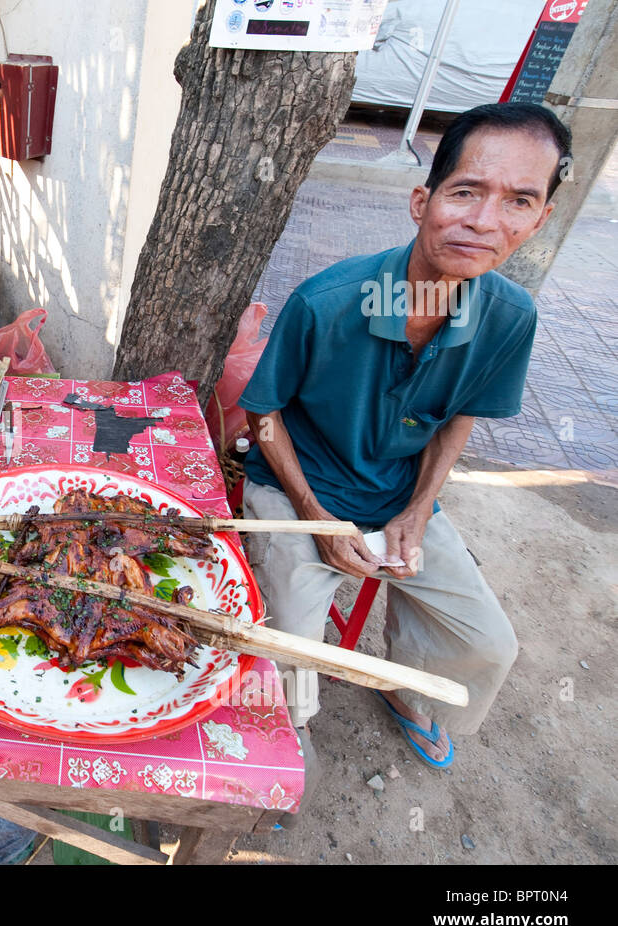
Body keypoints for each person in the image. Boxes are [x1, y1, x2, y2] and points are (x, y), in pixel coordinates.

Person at [238, 103, 570, 770]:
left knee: (488, 643)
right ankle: (287, 742)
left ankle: (406, 687)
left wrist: (418, 511)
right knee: (294, 648)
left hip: (396, 496)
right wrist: (314, 517)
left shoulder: (509, 316)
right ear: (423, 201)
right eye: (467, 191)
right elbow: (263, 415)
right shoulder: (327, 302)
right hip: (297, 492)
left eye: (518, 201)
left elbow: (461, 416)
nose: (484, 221)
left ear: (538, 221)